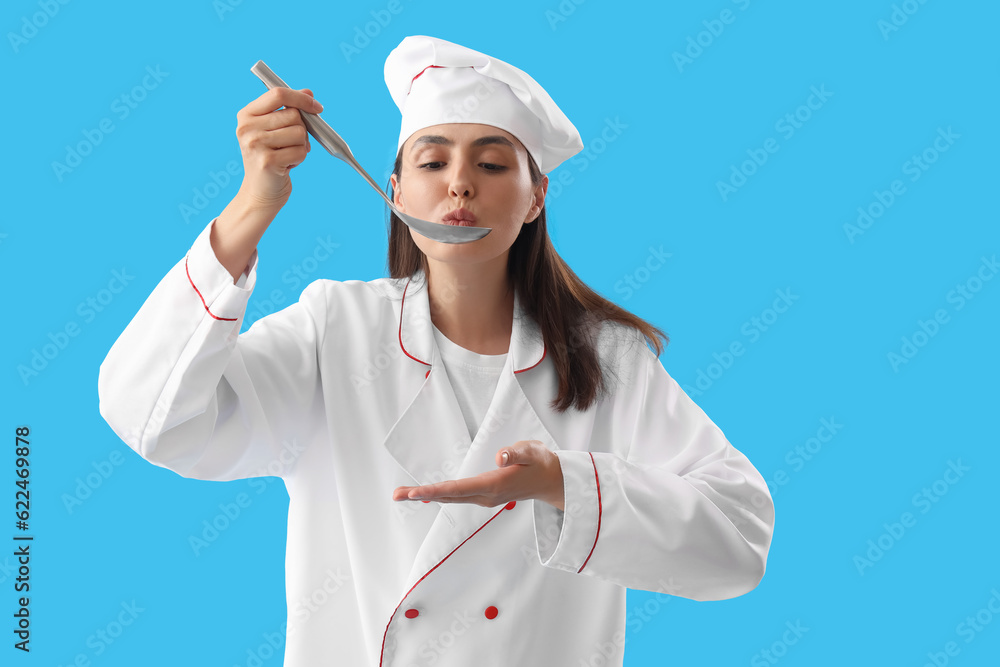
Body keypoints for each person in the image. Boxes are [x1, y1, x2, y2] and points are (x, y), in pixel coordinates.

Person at [98, 35, 775, 667]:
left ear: (536, 196)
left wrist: (562, 484)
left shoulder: (609, 359)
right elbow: (155, 419)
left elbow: (740, 539)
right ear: (394, 193)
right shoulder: (336, 329)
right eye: (431, 161)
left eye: (490, 162)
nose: (459, 184)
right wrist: (251, 207)